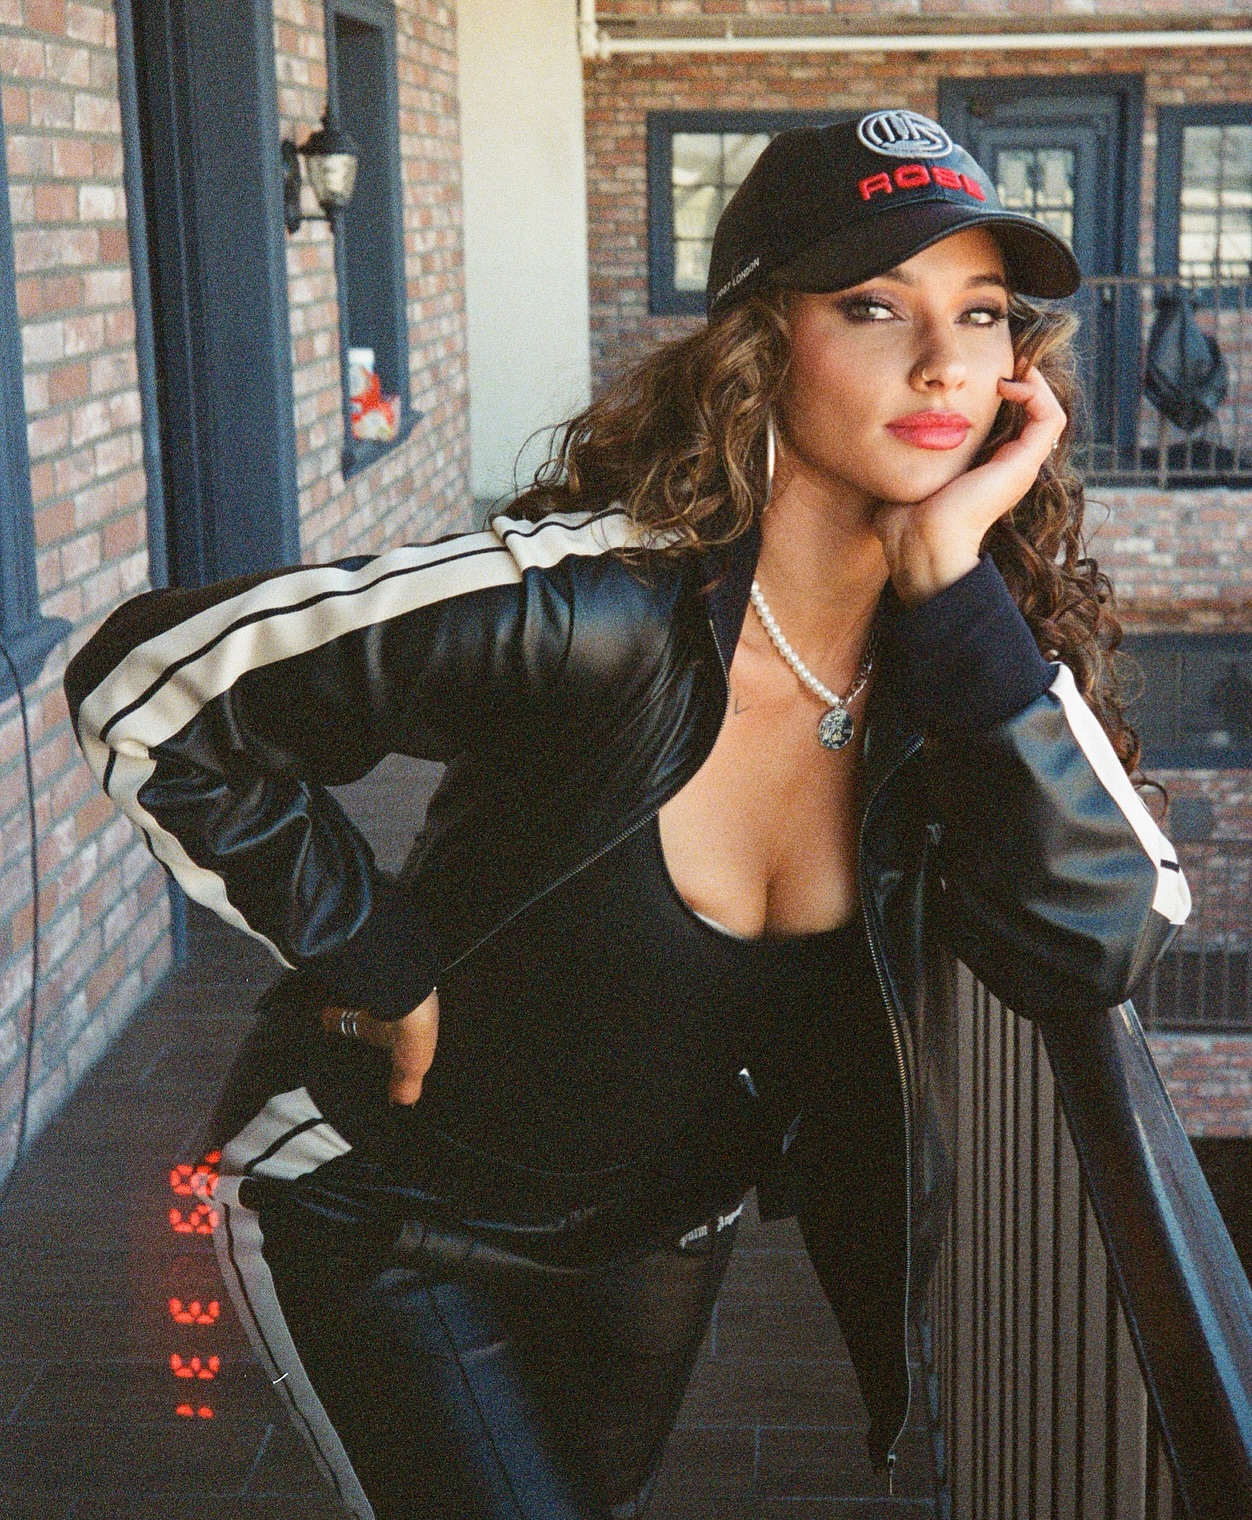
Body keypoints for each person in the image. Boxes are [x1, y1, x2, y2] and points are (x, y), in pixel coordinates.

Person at [65, 110, 1190, 1520]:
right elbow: (148, 682)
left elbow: (1101, 940)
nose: (943, 362)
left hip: (663, 1232)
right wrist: (367, 948)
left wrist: (956, 587)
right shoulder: (592, 607)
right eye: (870, 305)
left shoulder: (963, 658)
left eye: (979, 314)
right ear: (764, 341)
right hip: (385, 1204)